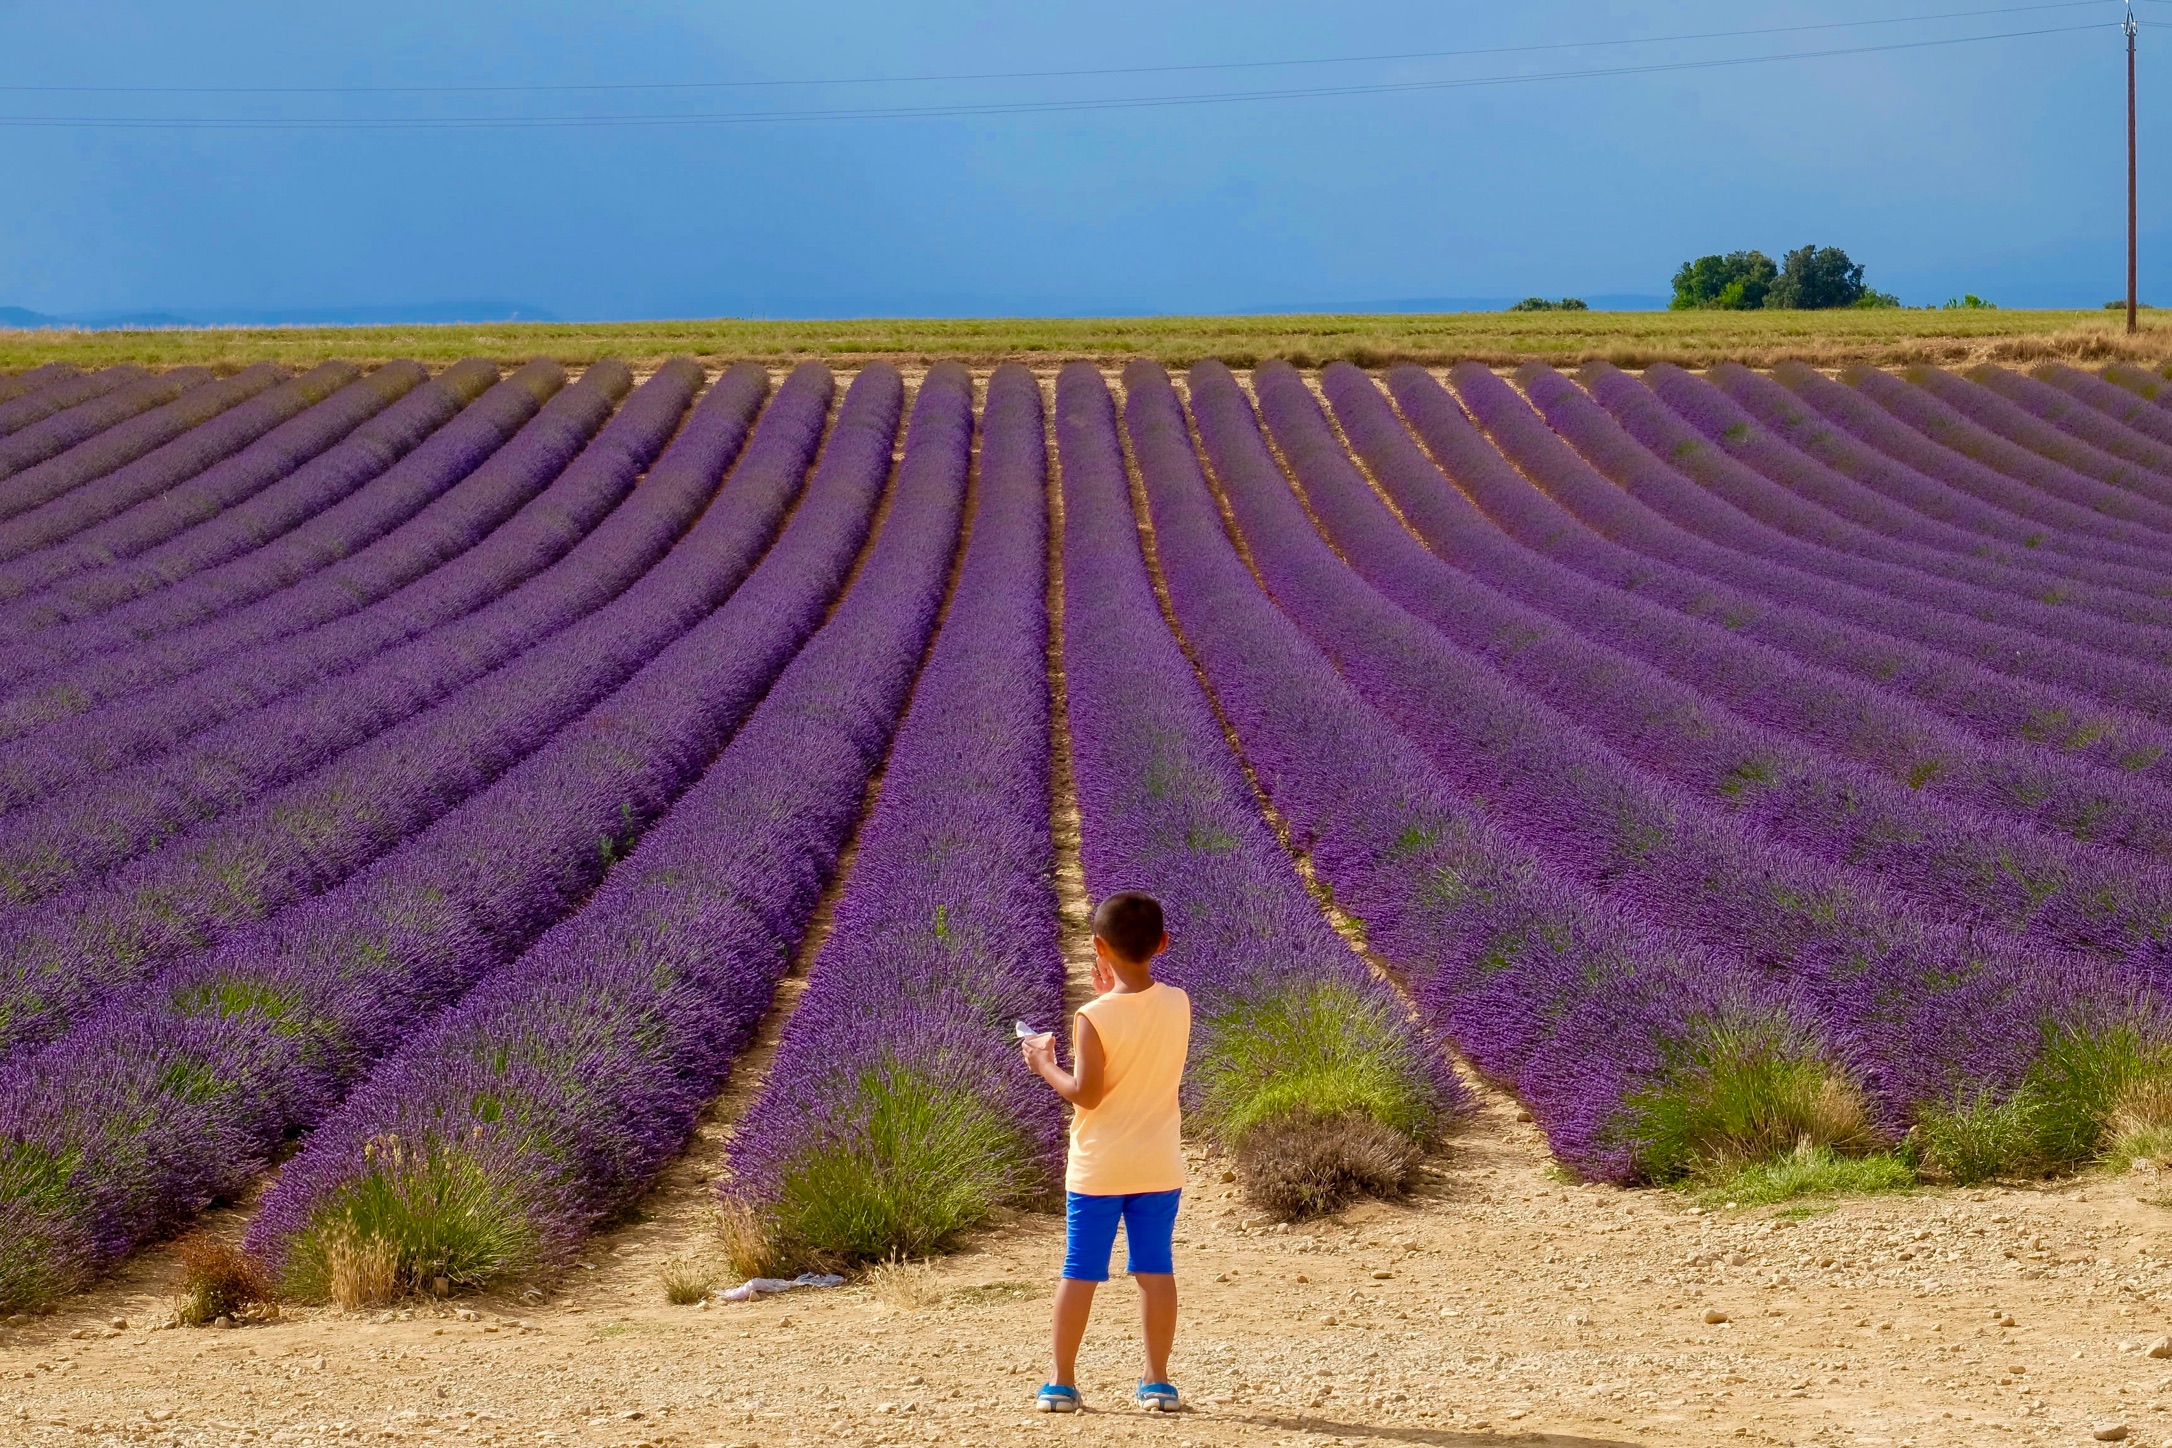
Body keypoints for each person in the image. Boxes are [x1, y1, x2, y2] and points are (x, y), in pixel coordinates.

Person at [1020, 890, 1192, 1415]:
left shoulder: (1092, 1016)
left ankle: (1062, 1383)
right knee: (1155, 1269)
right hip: (1159, 1162)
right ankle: (1157, 1381)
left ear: (1098, 946)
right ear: (1162, 943)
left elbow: (1087, 1094)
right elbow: (1141, 1029)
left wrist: (1043, 1064)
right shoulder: (1180, 1001)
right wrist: (1114, 991)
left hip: (1099, 1166)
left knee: (1080, 1269)